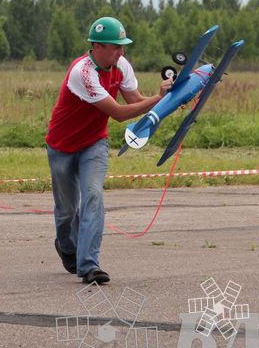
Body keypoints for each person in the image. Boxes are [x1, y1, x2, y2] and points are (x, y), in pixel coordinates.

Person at [45, 16, 173, 284]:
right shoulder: (83, 72)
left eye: (123, 46)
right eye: (116, 47)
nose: (121, 52)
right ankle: (66, 246)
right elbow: (118, 113)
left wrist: (171, 98)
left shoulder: (121, 65)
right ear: (97, 46)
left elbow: (136, 101)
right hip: (62, 146)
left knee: (93, 196)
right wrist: (158, 99)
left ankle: (89, 265)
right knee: (67, 210)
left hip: (94, 143)